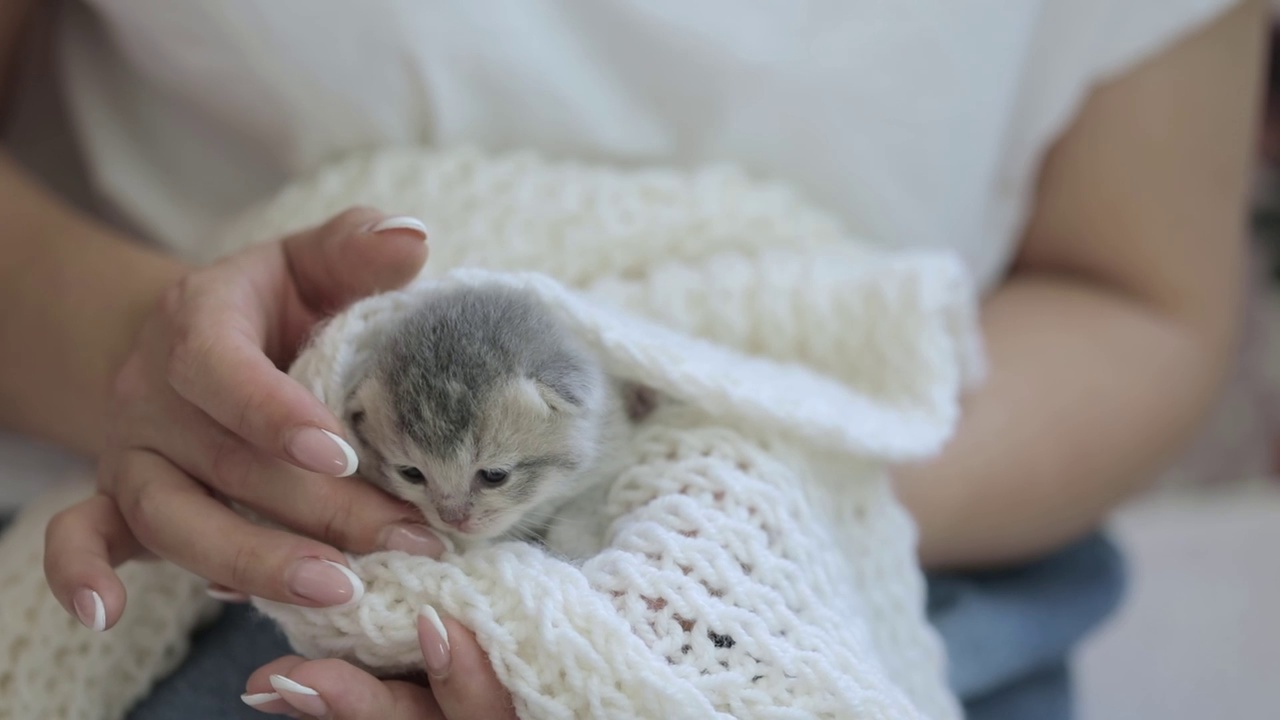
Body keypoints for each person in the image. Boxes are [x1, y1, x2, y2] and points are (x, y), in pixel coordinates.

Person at [0, 1, 1265, 718]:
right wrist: (154, 353)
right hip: (212, 508)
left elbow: (1140, 300)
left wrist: (745, 502)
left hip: (883, 527)